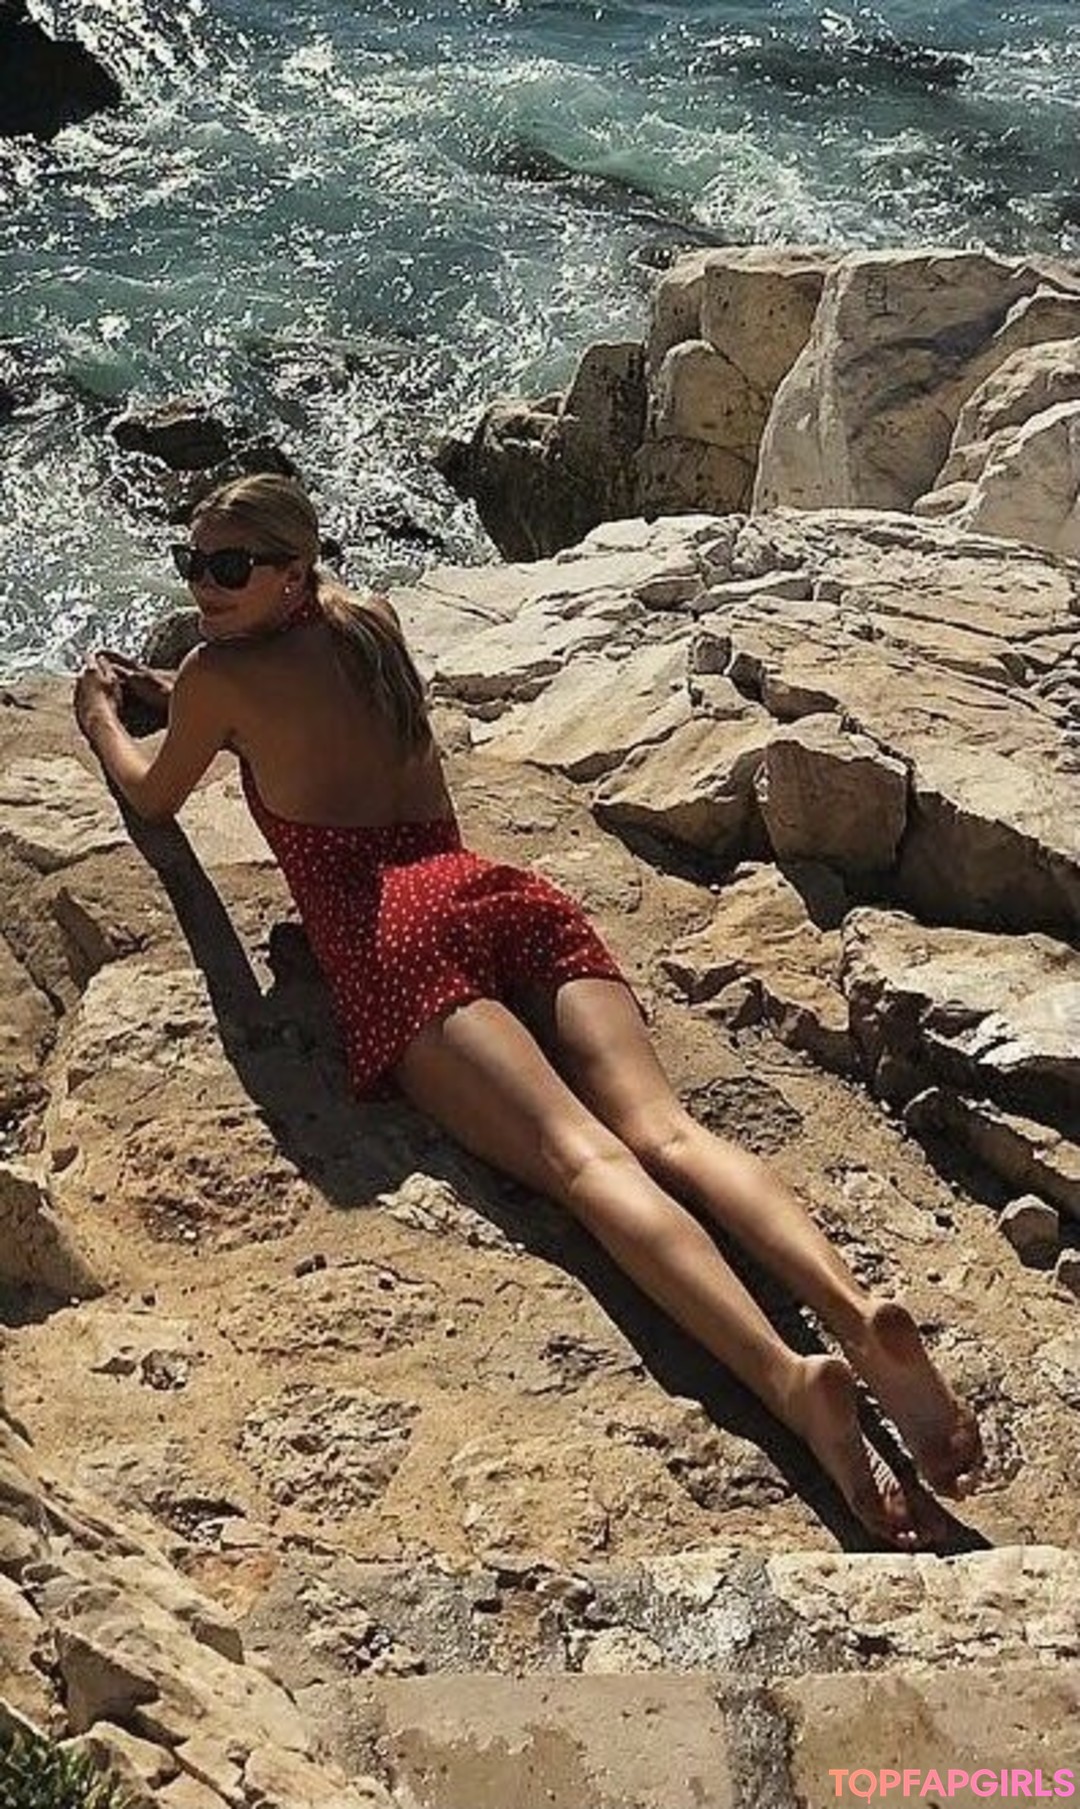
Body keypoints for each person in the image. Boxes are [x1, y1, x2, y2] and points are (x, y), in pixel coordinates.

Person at [74, 473, 983, 1549]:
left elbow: (154, 794)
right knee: (668, 1131)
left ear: (291, 570)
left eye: (229, 567)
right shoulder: (372, 625)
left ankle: (790, 1380)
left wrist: (102, 717)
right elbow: (302, 705)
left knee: (585, 1163)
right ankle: (854, 1311)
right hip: (490, 892)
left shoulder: (221, 677)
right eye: (192, 564)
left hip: (399, 934)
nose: (204, 586)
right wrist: (182, 688)